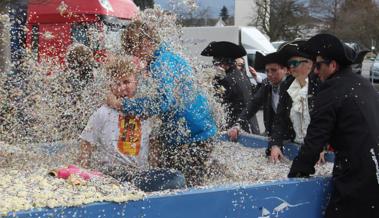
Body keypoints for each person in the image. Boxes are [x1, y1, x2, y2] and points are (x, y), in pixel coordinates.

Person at [107, 20, 217, 187]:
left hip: (194, 136)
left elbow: (163, 102)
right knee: (180, 181)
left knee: (183, 188)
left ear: (145, 43)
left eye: (133, 49)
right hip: (196, 130)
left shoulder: (161, 63)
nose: (134, 56)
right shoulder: (167, 57)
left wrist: (124, 105)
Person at [288, 33, 379, 218]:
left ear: (333, 65)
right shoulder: (364, 84)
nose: (315, 71)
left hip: (356, 177)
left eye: (319, 65)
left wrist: (298, 171)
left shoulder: (331, 90)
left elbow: (316, 136)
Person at [79, 56, 185, 192]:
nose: (122, 88)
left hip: (138, 174)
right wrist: (83, 175)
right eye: (117, 83)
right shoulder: (103, 113)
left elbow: (153, 146)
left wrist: (153, 168)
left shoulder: (144, 111)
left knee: (176, 177)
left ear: (136, 82)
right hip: (112, 175)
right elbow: (86, 143)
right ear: (110, 86)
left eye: (126, 82)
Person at [228, 51, 295, 162]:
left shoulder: (292, 87)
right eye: (267, 70)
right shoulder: (267, 84)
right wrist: (238, 124)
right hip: (274, 133)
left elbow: (283, 116)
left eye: (274, 70)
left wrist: (276, 143)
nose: (269, 74)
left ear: (286, 70)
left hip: (293, 135)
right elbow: (253, 104)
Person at [201, 41, 260, 134]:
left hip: (236, 130)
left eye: (215, 62)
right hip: (251, 127)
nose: (214, 66)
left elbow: (215, 105)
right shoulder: (242, 75)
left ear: (223, 63)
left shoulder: (225, 79)